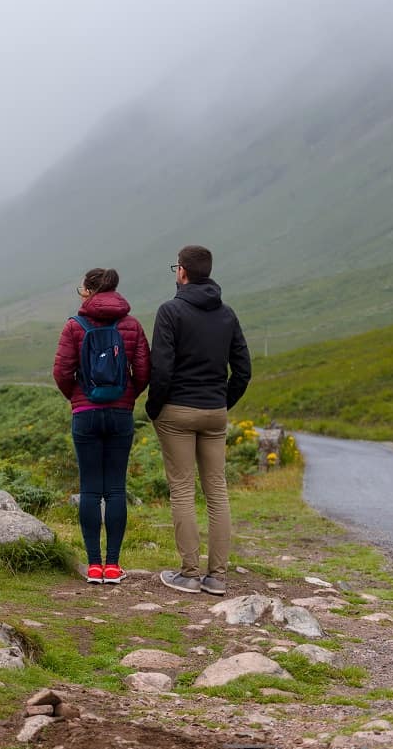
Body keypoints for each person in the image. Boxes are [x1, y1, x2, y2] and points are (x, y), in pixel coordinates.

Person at [147, 245, 251, 597]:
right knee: (217, 492)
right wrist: (222, 401)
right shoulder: (227, 314)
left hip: (176, 411)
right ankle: (217, 578)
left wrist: (155, 407)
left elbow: (161, 368)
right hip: (214, 411)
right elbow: (243, 370)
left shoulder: (170, 311)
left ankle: (189, 574)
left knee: (182, 489)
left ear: (183, 272)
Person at [53, 268, 150, 584]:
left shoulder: (74, 325)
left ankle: (94, 566)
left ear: (88, 291)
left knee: (91, 489)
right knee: (116, 488)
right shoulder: (131, 325)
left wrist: (79, 398)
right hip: (121, 413)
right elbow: (144, 370)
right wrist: (127, 396)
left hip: (86, 414)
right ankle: (113, 565)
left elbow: (62, 372)